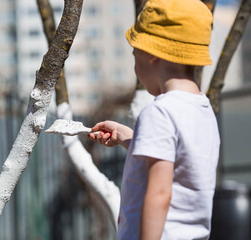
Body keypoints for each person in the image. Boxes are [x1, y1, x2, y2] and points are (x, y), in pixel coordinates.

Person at [88, 0, 220, 239]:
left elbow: (160, 193)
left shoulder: (158, 113)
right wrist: (125, 136)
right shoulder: (203, 110)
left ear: (151, 54)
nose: (134, 65)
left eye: (135, 54)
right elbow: (178, 157)